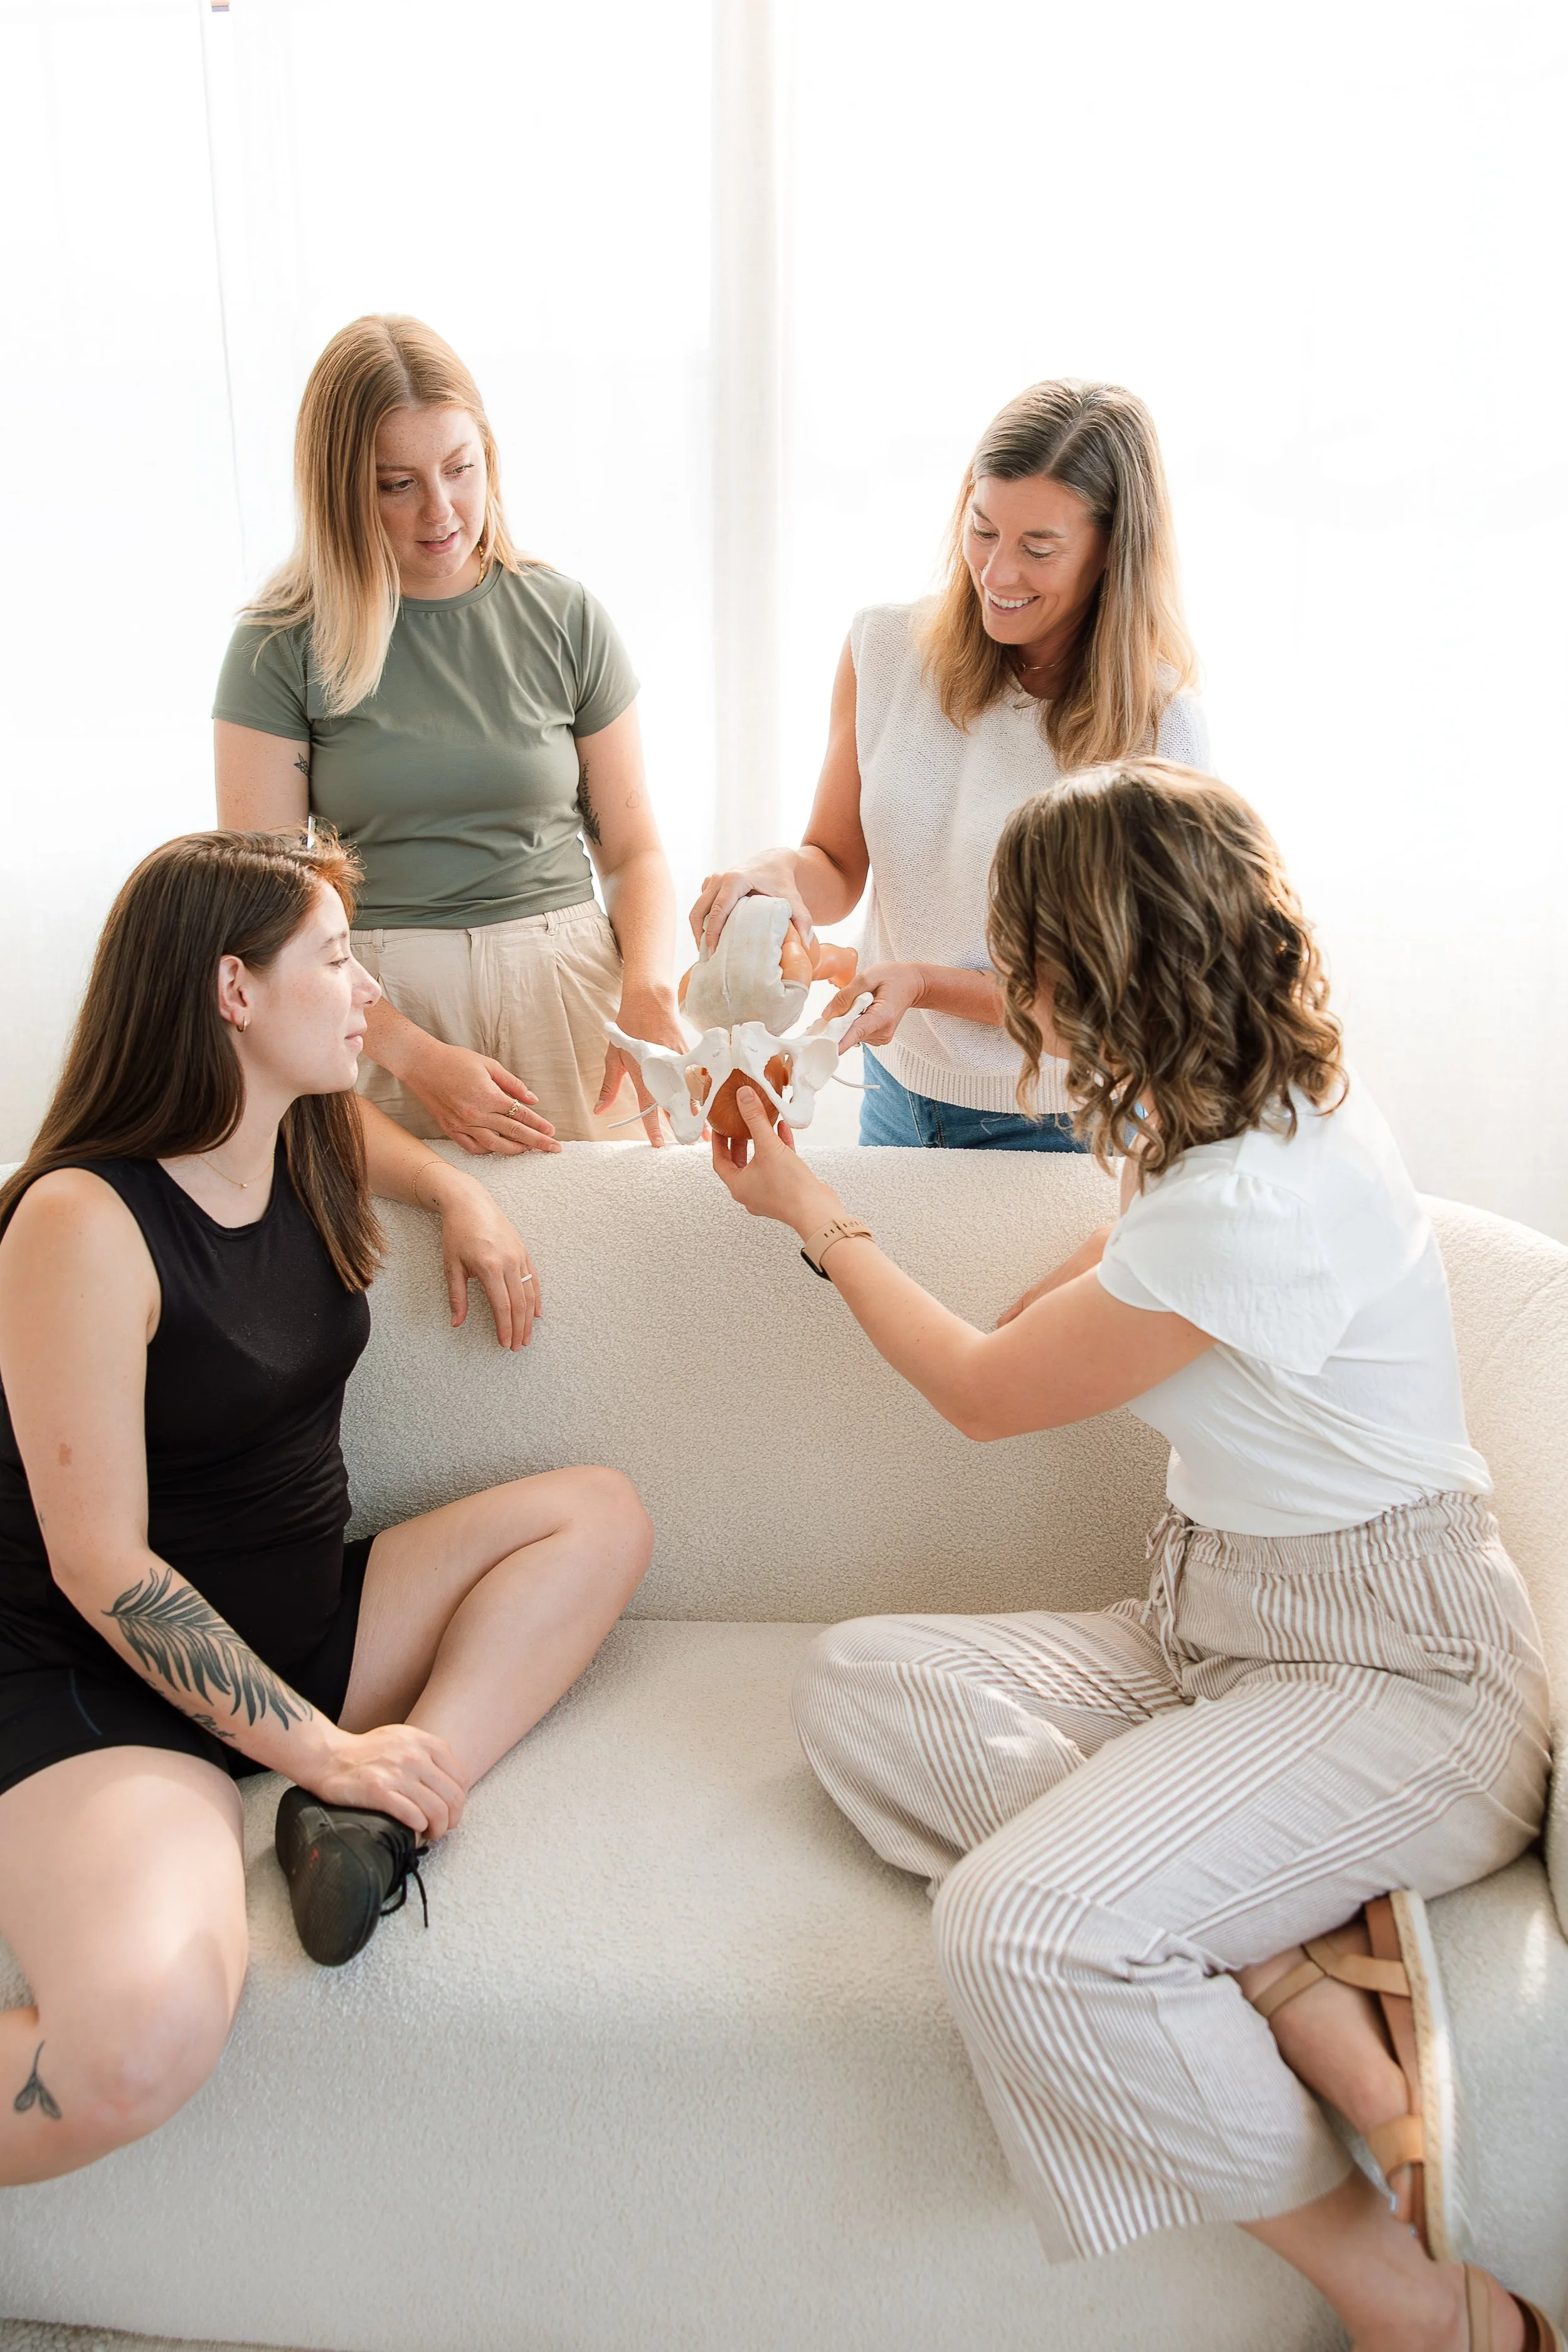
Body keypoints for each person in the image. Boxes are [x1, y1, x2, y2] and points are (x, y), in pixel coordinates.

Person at [709, 760, 1556, 2352]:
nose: (1013, 985)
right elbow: (1101, 1268)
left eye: (1024, 953)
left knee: (1016, 1924)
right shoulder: (1237, 1099)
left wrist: (811, 1213)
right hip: (1221, 1622)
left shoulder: (1255, 1193)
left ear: (1098, 971)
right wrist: (853, 1007)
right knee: (862, 1686)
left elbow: (976, 1393)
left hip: (1400, 1674)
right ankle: (1287, 1961)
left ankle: (1414, 2296)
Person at [0, 829, 653, 2187]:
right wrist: (315, 1744)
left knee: (595, 1514)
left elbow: (360, 1114)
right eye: (339, 961)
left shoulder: (295, 1139)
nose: (369, 997)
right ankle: (354, 1785)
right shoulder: (80, 1221)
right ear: (232, 992)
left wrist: (460, 1188)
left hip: (303, 1625)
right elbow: (102, 1565)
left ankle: (374, 1821)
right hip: (107, 1683)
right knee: (132, 2045)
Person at [691, 379, 1209, 1152]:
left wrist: (928, 985)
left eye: (1039, 549)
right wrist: (778, 875)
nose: (997, 574)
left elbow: (1123, 1015)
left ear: (1110, 551)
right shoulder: (886, 650)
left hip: (1061, 1124)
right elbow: (836, 862)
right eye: (982, 529)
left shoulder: (1158, 728)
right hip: (897, 1098)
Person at [214, 314, 684, 1152]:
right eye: (398, 484)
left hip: (569, 988)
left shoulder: (563, 614)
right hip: (378, 1006)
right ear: (341, 491)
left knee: (601, 1266)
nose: (442, 511)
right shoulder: (280, 643)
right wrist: (412, 1054)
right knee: (413, 1274)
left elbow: (635, 849)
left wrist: (648, 986)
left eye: (460, 469)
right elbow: (265, 902)